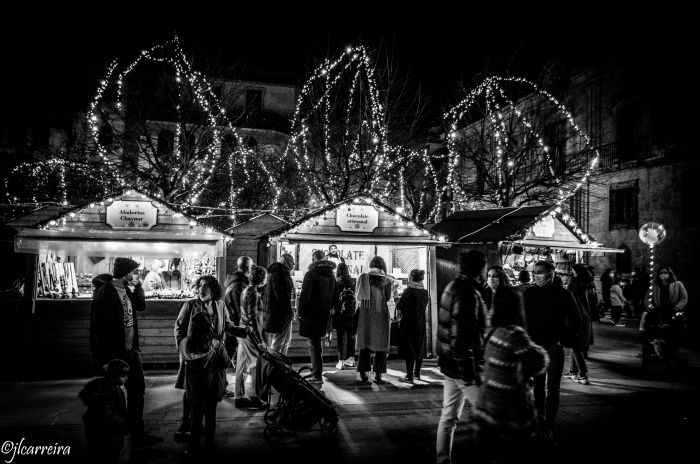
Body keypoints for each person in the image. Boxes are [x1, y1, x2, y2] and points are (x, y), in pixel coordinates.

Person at [89, 257, 162, 447]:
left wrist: (138, 288)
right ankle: (113, 436)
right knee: (113, 396)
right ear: (125, 273)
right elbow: (98, 326)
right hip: (114, 352)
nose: (138, 275)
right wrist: (103, 356)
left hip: (131, 350)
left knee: (137, 390)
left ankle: (137, 432)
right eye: (135, 272)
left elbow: (141, 306)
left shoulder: (128, 289)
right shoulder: (104, 292)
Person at [473, 287, 548, 462]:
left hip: (488, 405)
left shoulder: (493, 331)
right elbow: (540, 362)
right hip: (509, 408)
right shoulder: (514, 334)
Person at [174, 275, 247, 441]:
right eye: (199, 285)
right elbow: (179, 329)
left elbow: (227, 325)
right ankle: (187, 421)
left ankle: (203, 432)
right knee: (190, 389)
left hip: (214, 354)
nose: (201, 288)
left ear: (213, 288)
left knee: (209, 389)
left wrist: (240, 331)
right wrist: (184, 349)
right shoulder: (190, 305)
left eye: (205, 285)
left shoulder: (220, 305)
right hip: (194, 354)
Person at [435, 250, 488, 464]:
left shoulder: (452, 286)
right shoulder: (467, 293)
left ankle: (442, 459)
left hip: (449, 363)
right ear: (479, 269)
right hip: (462, 366)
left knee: (449, 415)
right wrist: (469, 373)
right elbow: (462, 335)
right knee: (488, 412)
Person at [523, 260, 581, 438]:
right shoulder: (529, 293)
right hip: (535, 347)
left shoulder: (563, 294)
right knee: (538, 387)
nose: (537, 275)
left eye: (540, 272)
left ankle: (549, 424)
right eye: (535, 272)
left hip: (554, 347)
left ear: (551, 274)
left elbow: (576, 320)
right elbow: (523, 318)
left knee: (553, 388)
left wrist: (563, 340)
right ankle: (540, 419)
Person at [179, 312, 230, 454]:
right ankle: (209, 444)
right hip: (211, 386)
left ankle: (194, 446)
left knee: (195, 417)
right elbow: (225, 363)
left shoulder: (184, 343)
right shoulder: (216, 344)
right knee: (210, 416)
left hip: (194, 386)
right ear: (209, 326)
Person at [298, 250, 339, 385]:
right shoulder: (331, 275)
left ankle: (316, 374)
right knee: (317, 344)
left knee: (314, 345)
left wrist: (300, 312)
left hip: (311, 315)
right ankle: (317, 371)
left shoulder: (310, 275)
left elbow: (305, 295)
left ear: (313, 259)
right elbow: (336, 297)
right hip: (324, 315)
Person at [79, 359, 130, 464]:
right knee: (103, 456)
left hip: (112, 431)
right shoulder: (102, 393)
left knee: (112, 455)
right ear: (114, 376)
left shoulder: (117, 389)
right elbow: (106, 415)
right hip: (103, 433)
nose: (126, 378)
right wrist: (125, 422)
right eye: (123, 376)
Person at [355, 256, 393, 384]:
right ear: (383, 266)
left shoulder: (364, 278)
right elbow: (387, 298)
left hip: (366, 315)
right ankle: (378, 373)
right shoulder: (387, 281)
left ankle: (362, 372)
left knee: (365, 343)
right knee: (381, 345)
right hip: (381, 315)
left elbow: (357, 295)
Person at [234, 265, 268, 407]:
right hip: (250, 333)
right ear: (261, 279)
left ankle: (239, 396)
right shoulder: (253, 293)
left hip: (243, 330)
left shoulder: (246, 290)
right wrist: (260, 340)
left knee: (242, 364)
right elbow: (253, 317)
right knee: (254, 365)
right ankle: (253, 396)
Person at [563, 264, 598, 385]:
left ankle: (582, 374)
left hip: (575, 317)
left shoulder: (573, 284)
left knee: (575, 346)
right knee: (578, 345)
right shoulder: (590, 284)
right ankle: (573, 371)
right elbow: (595, 302)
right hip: (587, 317)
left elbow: (568, 300)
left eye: (573, 271)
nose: (572, 273)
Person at [645, 266, 688, 362]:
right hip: (658, 312)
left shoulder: (677, 284)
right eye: (661, 273)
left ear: (669, 273)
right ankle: (658, 350)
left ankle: (671, 353)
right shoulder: (654, 285)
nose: (663, 275)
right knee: (655, 330)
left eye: (665, 272)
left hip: (673, 311)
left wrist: (677, 308)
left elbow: (684, 298)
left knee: (672, 332)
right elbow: (647, 299)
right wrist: (651, 308)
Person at [223, 256, 253, 394]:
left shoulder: (234, 281)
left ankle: (222, 384)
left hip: (232, 324)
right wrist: (243, 326)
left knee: (229, 353)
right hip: (235, 325)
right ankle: (222, 385)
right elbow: (239, 306)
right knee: (230, 354)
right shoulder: (239, 284)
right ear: (248, 268)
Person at [396, 268, 429, 383]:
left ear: (411, 278)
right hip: (420, 324)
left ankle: (409, 376)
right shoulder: (425, 292)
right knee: (419, 348)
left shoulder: (407, 292)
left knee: (409, 350)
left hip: (408, 324)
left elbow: (399, 306)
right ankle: (417, 373)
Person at [263, 253, 296, 356]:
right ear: (286, 262)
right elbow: (281, 295)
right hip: (281, 313)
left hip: (285, 312)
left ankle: (282, 363)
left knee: (286, 340)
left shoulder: (283, 273)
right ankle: (275, 364)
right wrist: (288, 311)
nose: (293, 264)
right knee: (279, 340)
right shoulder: (279, 274)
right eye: (292, 261)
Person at [333, 262, 357, 370]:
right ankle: (351, 360)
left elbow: (334, 298)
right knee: (351, 337)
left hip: (340, 314)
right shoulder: (353, 281)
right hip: (352, 313)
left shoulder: (336, 282)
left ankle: (341, 361)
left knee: (341, 337)